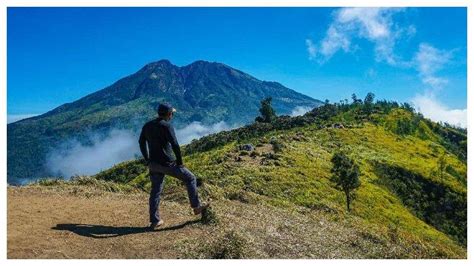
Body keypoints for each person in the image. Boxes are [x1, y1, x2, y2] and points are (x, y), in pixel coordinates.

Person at [139, 103, 209, 230]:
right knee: (190, 178)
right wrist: (180, 162)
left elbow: (141, 142)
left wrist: (147, 160)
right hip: (167, 163)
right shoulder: (166, 126)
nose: (172, 115)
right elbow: (175, 144)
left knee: (155, 191)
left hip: (153, 164)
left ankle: (154, 220)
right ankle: (196, 207)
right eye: (172, 113)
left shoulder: (147, 125)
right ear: (169, 114)